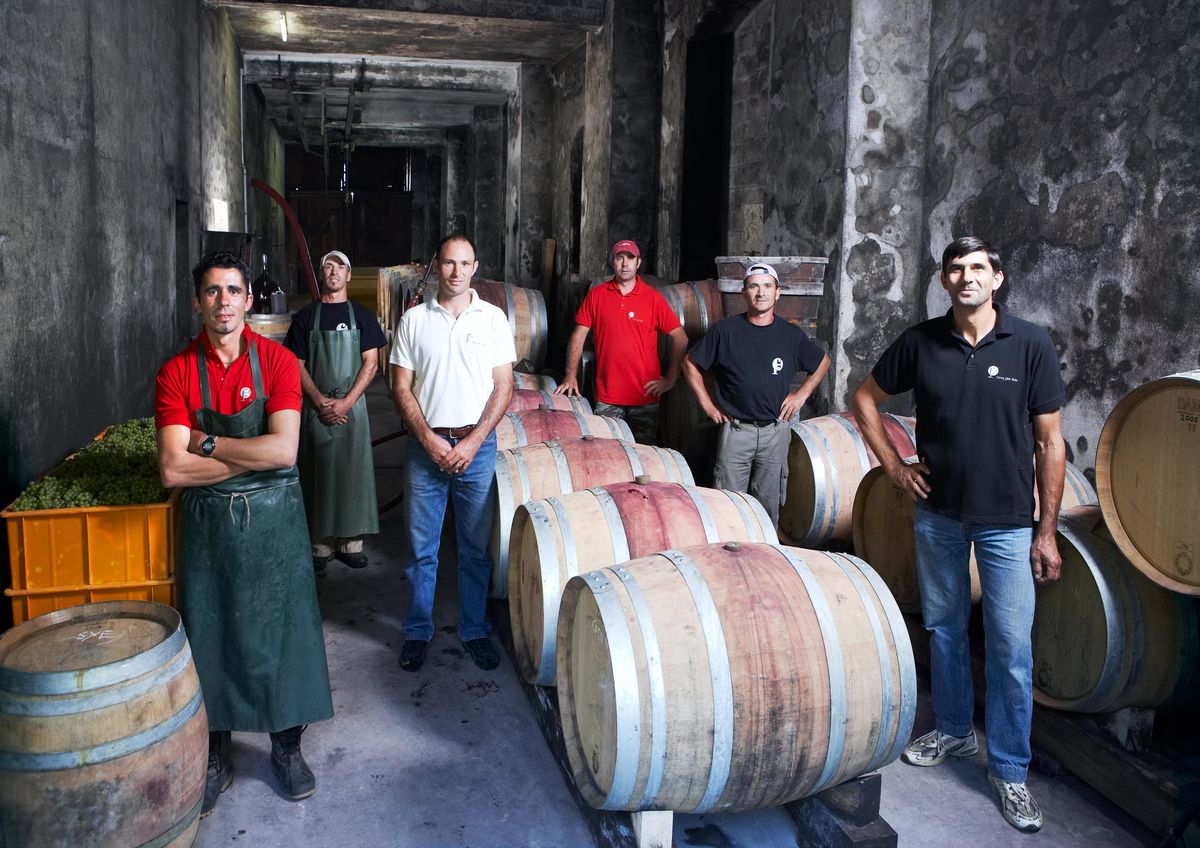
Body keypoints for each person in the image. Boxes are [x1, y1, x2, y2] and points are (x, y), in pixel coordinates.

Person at [850, 236, 1065, 834]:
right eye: (955, 269)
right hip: (939, 514)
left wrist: (1046, 532)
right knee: (943, 629)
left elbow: (1050, 442)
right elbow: (863, 398)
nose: (966, 277)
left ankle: (1011, 770)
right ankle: (952, 730)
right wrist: (895, 469)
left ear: (997, 278)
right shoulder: (921, 342)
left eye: (977, 268)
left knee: (1010, 646)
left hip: (1007, 522)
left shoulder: (1030, 344)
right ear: (944, 281)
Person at [155, 252, 334, 815]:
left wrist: (209, 444)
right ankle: (215, 753)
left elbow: (285, 451)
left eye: (233, 291)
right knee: (211, 636)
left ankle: (287, 747)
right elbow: (172, 469)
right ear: (197, 302)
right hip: (208, 531)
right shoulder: (177, 372)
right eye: (212, 291)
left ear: (249, 299)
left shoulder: (277, 362)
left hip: (276, 527)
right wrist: (249, 461)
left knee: (282, 633)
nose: (223, 302)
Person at [389, 235, 516, 673]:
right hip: (425, 450)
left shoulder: (493, 319)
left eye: (464, 263)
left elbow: (504, 386)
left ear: (475, 267)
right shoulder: (414, 320)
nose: (456, 271)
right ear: (436, 266)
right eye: (448, 263)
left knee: (475, 549)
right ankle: (417, 630)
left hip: (476, 450)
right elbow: (400, 387)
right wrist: (428, 439)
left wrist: (473, 441)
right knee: (420, 549)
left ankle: (474, 628)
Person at [682, 262, 829, 526]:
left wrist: (802, 394)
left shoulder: (790, 335)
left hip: (775, 431)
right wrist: (708, 405)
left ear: (777, 293)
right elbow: (689, 363)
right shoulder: (725, 331)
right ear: (744, 293)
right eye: (754, 286)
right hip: (736, 431)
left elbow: (823, 362)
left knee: (768, 507)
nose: (761, 292)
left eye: (767, 286)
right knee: (728, 506)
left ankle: (764, 549)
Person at [284, 250, 387, 571]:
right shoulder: (306, 317)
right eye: (327, 267)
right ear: (321, 275)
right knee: (318, 473)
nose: (333, 272)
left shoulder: (362, 316)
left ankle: (350, 543)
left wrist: (346, 401)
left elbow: (371, 363)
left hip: (352, 408)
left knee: (352, 474)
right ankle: (320, 546)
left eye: (339, 267)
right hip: (317, 408)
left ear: (348, 275)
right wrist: (319, 401)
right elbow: (296, 365)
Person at [555, 239, 687, 444]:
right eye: (620, 258)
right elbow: (578, 336)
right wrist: (570, 374)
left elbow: (681, 338)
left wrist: (670, 379)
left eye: (630, 258)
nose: (625, 264)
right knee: (607, 454)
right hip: (608, 396)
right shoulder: (597, 295)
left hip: (645, 396)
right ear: (613, 262)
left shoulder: (653, 299)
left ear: (638, 262)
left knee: (644, 454)